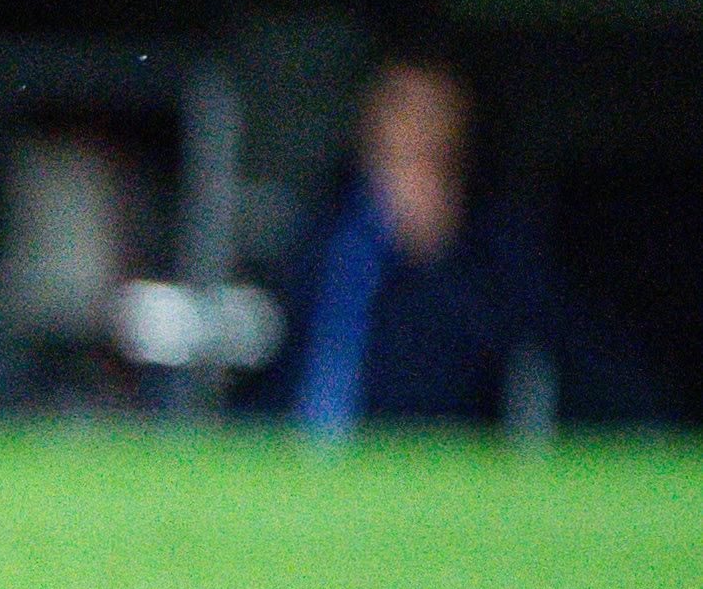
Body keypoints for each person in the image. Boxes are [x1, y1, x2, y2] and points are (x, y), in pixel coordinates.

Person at [272, 54, 654, 432]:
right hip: (287, 457)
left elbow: (557, 350)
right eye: (400, 106)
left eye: (432, 111)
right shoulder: (320, 222)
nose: (415, 130)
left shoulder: (494, 238)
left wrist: (434, 255)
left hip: (426, 459)